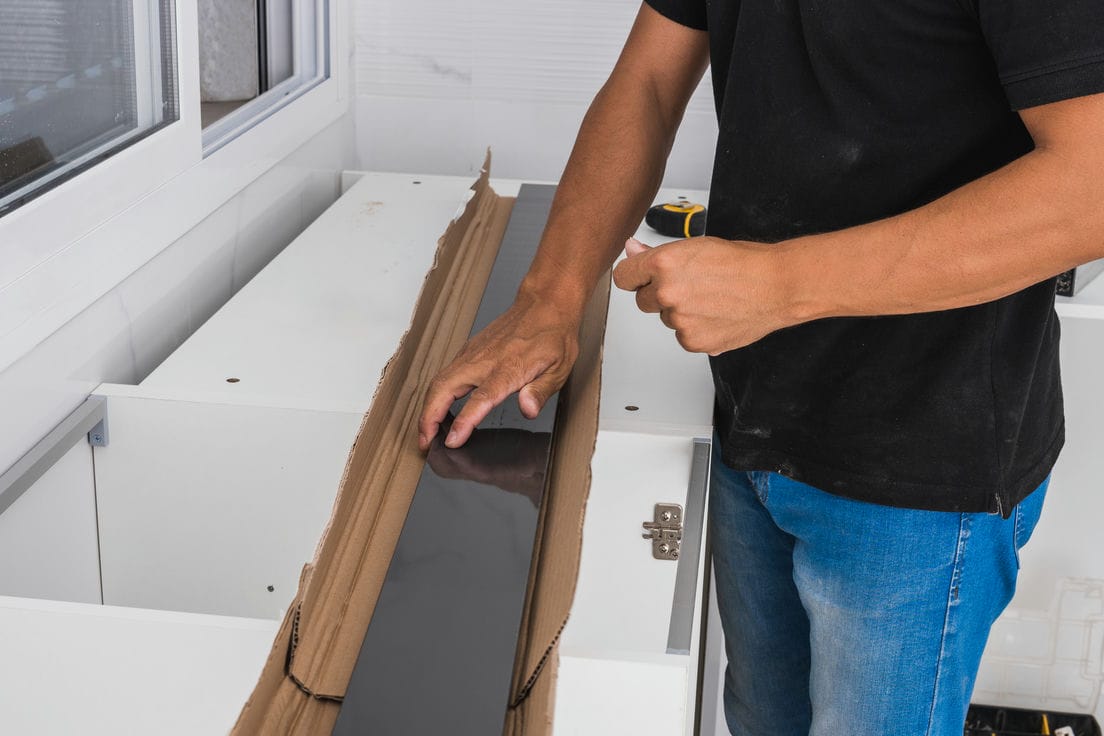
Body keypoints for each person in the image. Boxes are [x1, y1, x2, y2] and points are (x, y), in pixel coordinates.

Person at [418, 1, 1104, 733]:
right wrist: (549, 298)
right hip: (754, 420)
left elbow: (1090, 187)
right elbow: (649, 79)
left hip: (923, 471)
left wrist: (779, 286)